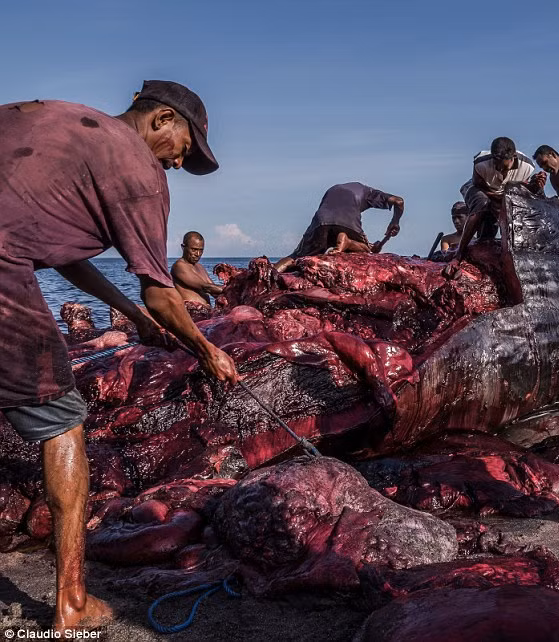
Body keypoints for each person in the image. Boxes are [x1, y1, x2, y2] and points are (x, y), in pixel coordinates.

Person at [0, 80, 239, 632]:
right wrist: (205, 350)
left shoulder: (55, 118)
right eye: (185, 147)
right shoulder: (135, 164)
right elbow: (159, 287)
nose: (179, 162)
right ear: (160, 120)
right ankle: (71, 604)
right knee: (62, 423)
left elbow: (58, 253)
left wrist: (133, 318)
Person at [447, 137, 547, 272]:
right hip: (480, 189)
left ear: (513, 158)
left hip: (503, 193)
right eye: (497, 165)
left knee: (502, 221)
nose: (501, 170)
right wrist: (498, 199)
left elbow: (522, 191)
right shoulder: (481, 163)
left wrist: (534, 186)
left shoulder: (527, 166)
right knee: (482, 204)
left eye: (504, 166)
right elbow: (479, 186)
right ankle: (459, 253)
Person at [274, 182, 404, 272]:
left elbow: (331, 224)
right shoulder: (368, 192)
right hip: (348, 223)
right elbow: (399, 201)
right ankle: (348, 242)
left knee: (296, 257)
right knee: (366, 252)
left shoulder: (334, 189)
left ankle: (270, 273)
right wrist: (395, 221)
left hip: (321, 221)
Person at [171, 231, 223, 306]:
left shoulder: (200, 267)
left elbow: (213, 290)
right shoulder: (179, 266)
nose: (198, 254)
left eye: (201, 250)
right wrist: (232, 288)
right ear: (183, 247)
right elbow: (206, 287)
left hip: (206, 312)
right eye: (194, 250)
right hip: (190, 313)